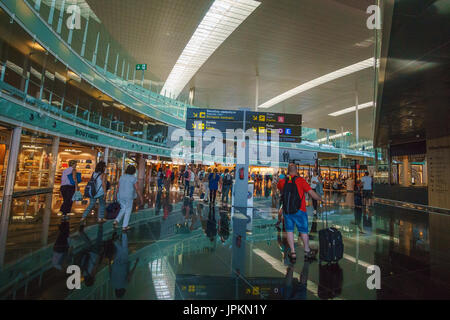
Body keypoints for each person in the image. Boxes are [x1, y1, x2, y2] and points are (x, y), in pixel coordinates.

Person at [277, 163, 322, 263]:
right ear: (296, 171)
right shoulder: (301, 180)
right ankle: (306, 250)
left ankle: (293, 252)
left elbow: (280, 188)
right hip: (300, 210)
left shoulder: (283, 181)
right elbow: (311, 193)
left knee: (289, 231)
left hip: (287, 211)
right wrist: (319, 198)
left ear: (288, 171)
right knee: (303, 232)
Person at [114, 165, 143, 231]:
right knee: (128, 210)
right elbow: (137, 188)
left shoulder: (122, 177)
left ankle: (116, 220)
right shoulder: (133, 178)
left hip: (120, 195)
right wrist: (141, 197)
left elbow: (118, 187)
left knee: (123, 208)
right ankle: (125, 226)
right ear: (134, 171)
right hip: (128, 196)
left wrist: (115, 195)